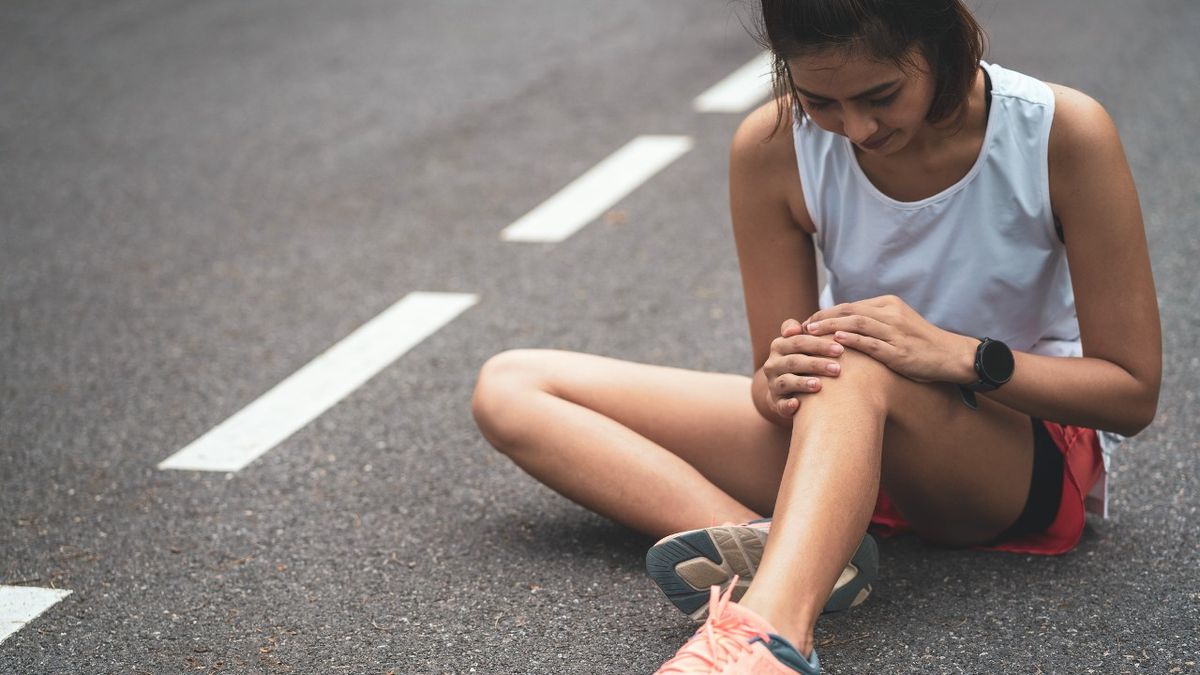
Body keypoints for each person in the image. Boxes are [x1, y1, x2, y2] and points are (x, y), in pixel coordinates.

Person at [471, 0, 1161, 671]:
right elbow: (776, 395)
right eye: (820, 101)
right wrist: (775, 378)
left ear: (942, 39)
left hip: (1008, 458)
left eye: (880, 95)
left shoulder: (1059, 131)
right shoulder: (772, 148)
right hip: (841, 423)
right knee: (511, 385)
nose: (856, 128)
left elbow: (1130, 394)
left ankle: (770, 637)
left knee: (851, 355)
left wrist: (961, 356)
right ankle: (789, 550)